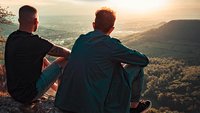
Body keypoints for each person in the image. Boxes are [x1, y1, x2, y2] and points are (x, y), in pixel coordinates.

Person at [55, 7, 151, 113]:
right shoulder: (111, 45)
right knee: (137, 66)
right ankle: (133, 106)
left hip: (64, 103)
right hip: (92, 107)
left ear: (93, 25)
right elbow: (143, 60)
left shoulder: (80, 40)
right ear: (112, 29)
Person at [5, 5, 70, 104]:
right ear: (35, 21)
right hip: (29, 95)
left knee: (42, 60)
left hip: (14, 92)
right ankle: (62, 97)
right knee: (64, 60)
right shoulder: (36, 42)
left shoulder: (11, 38)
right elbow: (67, 54)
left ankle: (57, 90)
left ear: (19, 20)